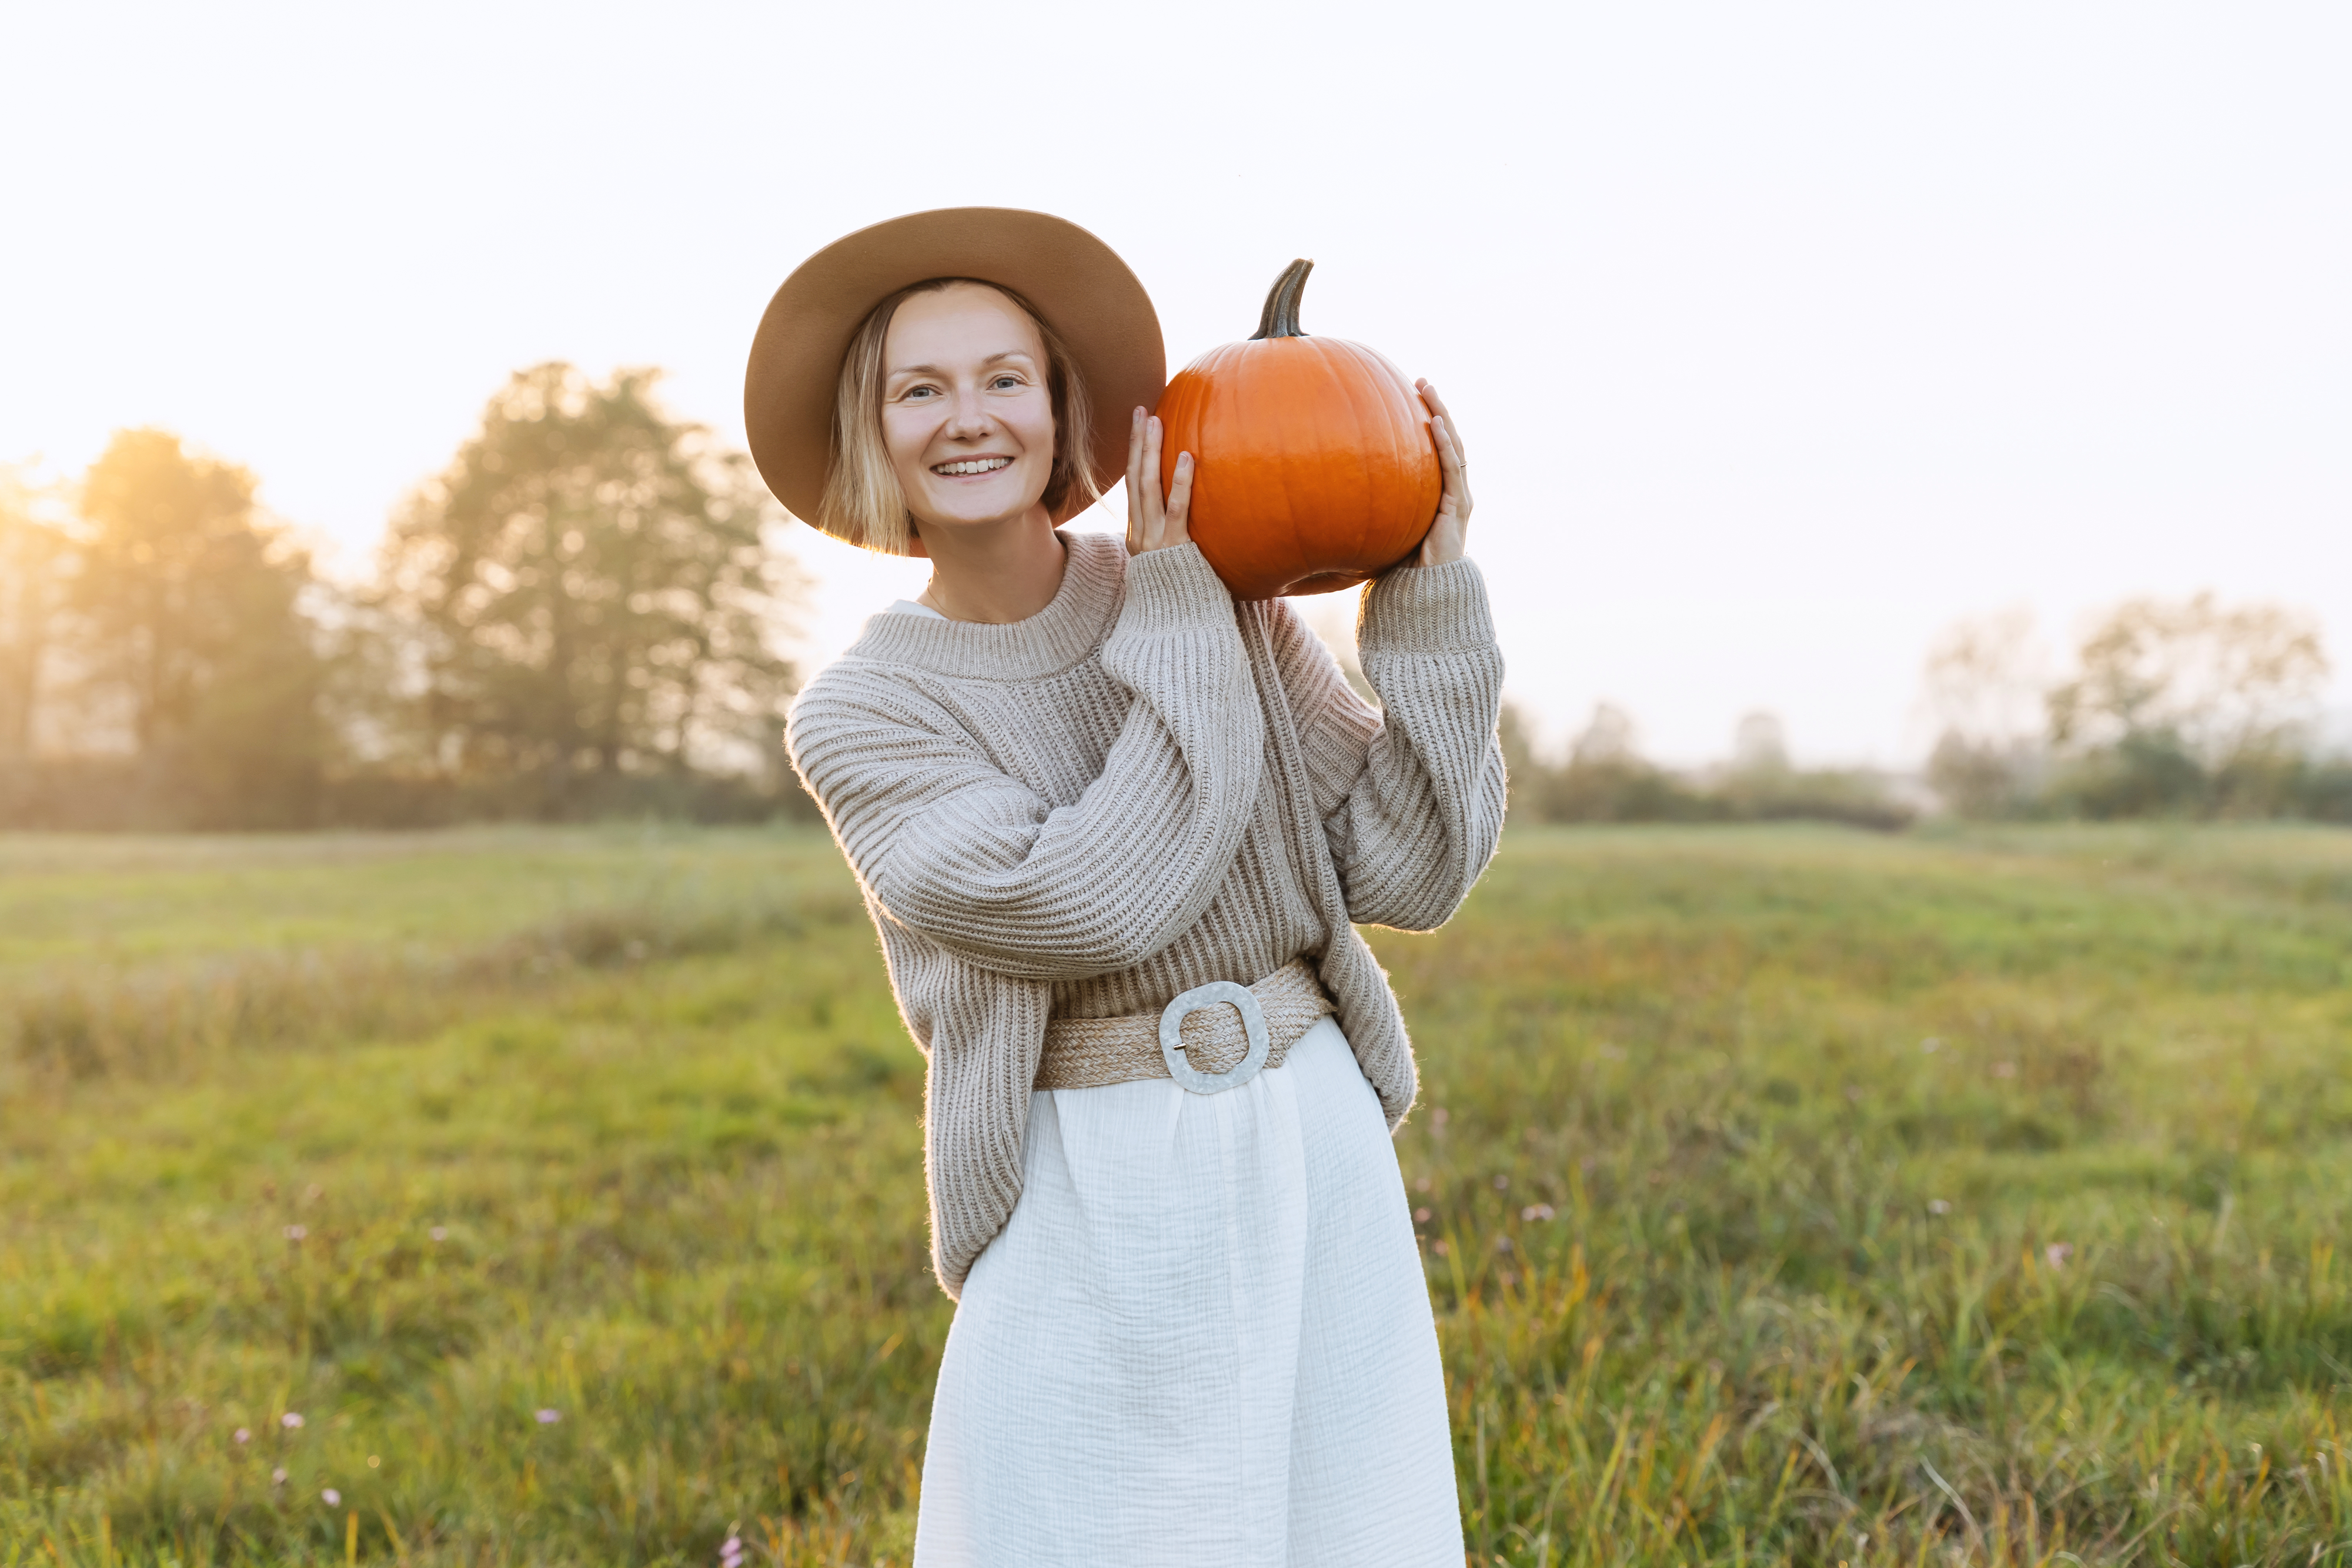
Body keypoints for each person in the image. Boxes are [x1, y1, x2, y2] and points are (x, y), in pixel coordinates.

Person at [746, 208, 1506, 1567]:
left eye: (1002, 378)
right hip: (1082, 1178)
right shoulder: (863, 714)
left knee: (1345, 1529)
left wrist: (1429, 601)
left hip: (1309, 1139)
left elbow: (1411, 865)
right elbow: (1094, 902)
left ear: (1058, 411)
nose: (964, 418)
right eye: (918, 388)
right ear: (876, 433)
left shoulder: (1212, 593)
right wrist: (1174, 612)